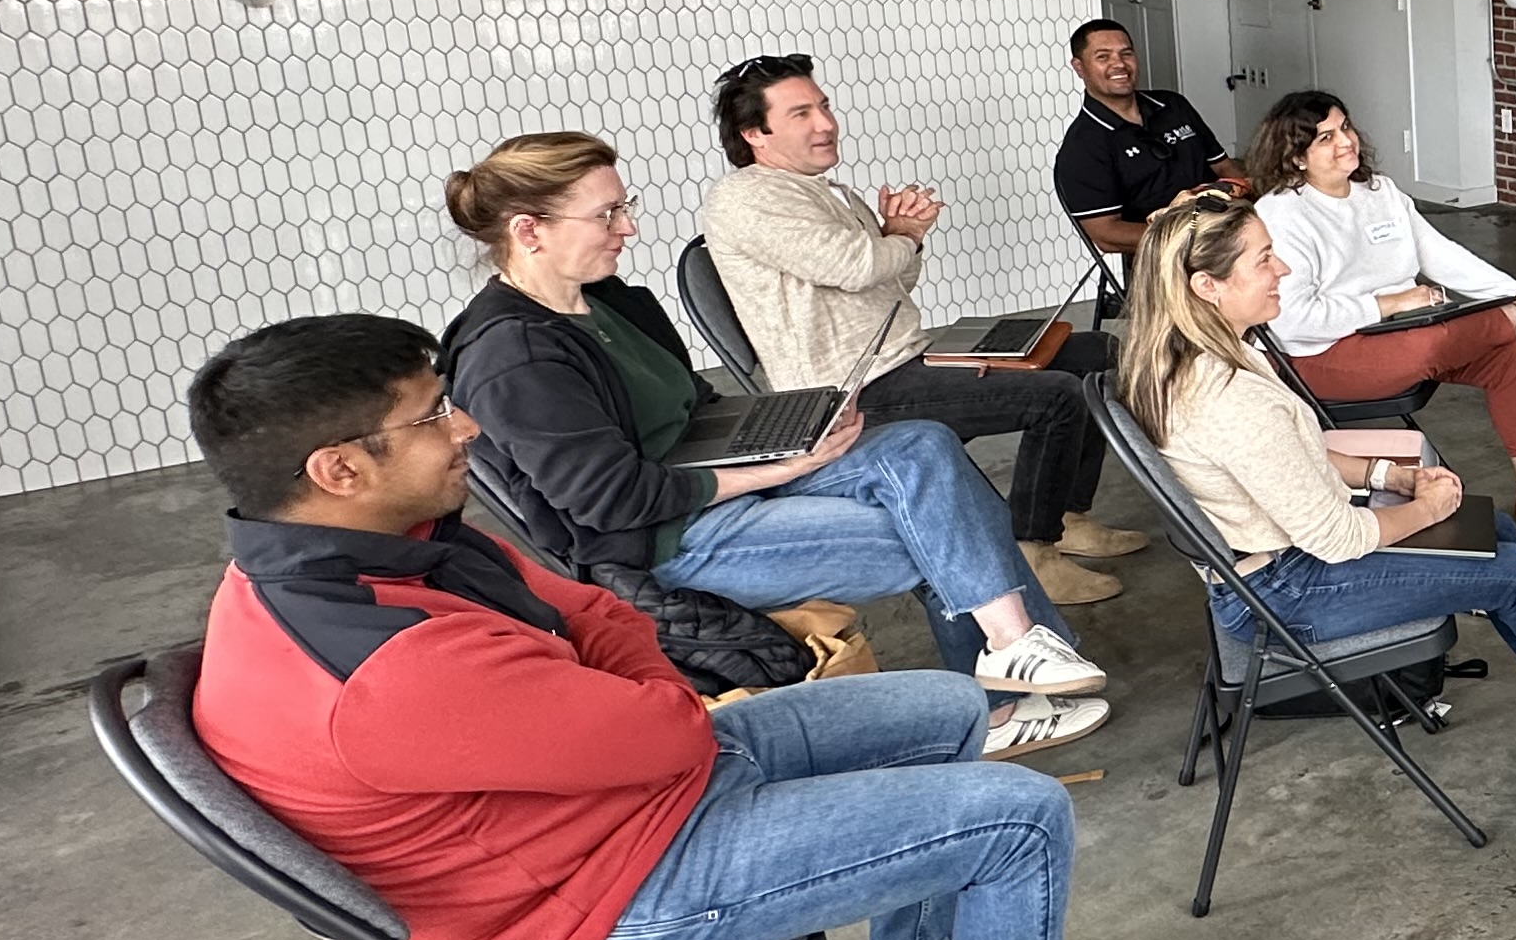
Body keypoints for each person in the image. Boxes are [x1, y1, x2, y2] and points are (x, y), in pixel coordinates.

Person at [185, 313, 1164, 940]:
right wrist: (611, 666)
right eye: (432, 415)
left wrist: (600, 660)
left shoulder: (363, 552)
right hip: (586, 911)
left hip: (608, 813)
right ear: (337, 469)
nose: (466, 430)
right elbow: (659, 717)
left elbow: (592, 608)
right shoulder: (386, 666)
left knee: (950, 708)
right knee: (1021, 821)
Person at [432, 132, 1112, 757]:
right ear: (530, 232)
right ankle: (994, 710)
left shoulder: (602, 298)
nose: (628, 227)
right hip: (671, 537)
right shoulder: (513, 356)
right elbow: (613, 500)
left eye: (623, 206)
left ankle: (1013, 648)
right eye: (606, 215)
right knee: (940, 531)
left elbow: (693, 406)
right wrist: (786, 466)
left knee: (924, 448)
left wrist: (793, 424)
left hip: (720, 474)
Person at [1121, 191, 1516, 740]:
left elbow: (1297, 453)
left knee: (1491, 528)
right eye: (1264, 259)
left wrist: (1387, 476)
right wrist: (1424, 506)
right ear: (1206, 285)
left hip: (1277, 564)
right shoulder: (1229, 398)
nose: (1285, 269)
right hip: (1285, 593)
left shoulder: (1212, 353)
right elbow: (1338, 539)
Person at [702, 53, 1140, 612]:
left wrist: (900, 236)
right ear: (754, 134)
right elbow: (856, 267)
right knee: (1056, 398)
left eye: (824, 105)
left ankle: (1063, 514)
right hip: (855, 387)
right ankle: (1031, 551)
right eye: (801, 113)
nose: (826, 123)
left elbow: (893, 280)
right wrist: (899, 237)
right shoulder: (749, 197)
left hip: (907, 355)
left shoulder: (826, 192)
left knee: (1091, 351)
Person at [1245, 89, 1516, 541]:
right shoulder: (1281, 214)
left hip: (1399, 337)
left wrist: (1514, 288)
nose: (1345, 141)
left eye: (1345, 127)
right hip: (1319, 357)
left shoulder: (1380, 192)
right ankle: (1514, 315)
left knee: (1500, 354)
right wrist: (1390, 304)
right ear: (1296, 157)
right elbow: (1291, 320)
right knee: (1444, 339)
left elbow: (1441, 253)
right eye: (1324, 137)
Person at [1056, 18, 1239, 266]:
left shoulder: (1173, 105)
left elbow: (1224, 168)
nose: (1119, 64)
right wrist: (1191, 237)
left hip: (1227, 231)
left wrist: (1246, 205)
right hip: (1164, 260)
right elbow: (1106, 235)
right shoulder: (1082, 147)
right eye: (1103, 57)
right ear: (1079, 67)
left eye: (1126, 53)